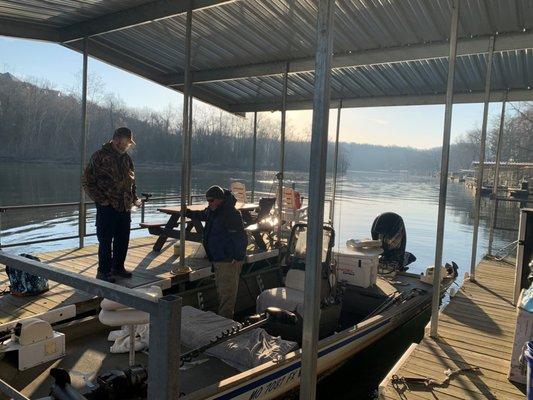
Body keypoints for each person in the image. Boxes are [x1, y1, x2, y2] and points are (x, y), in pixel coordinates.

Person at [82, 127, 139, 283]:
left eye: (129, 142)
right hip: (107, 206)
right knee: (106, 240)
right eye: (126, 141)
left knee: (123, 238)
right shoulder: (100, 156)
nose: (128, 145)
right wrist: (101, 200)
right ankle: (103, 271)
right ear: (117, 139)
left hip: (124, 206)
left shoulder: (127, 159)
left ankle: (118, 268)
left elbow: (132, 182)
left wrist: (134, 198)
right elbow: (87, 181)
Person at [187, 185, 247, 319]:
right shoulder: (212, 210)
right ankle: (223, 322)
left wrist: (238, 257)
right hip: (217, 259)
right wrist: (187, 212)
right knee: (222, 292)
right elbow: (202, 214)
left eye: (211, 200)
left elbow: (240, 238)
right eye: (207, 201)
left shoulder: (231, 214)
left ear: (220, 199)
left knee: (227, 296)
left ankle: (225, 326)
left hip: (228, 260)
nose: (209, 203)